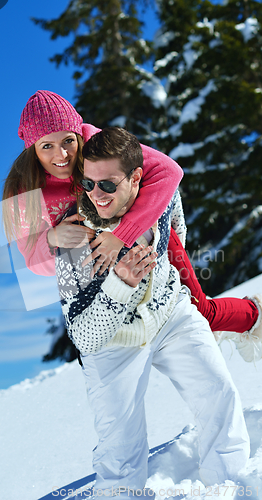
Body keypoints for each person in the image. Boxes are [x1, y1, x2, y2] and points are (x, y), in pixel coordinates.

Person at [55, 127, 250, 493]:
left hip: (169, 314)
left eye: (108, 185)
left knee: (218, 394)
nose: (96, 195)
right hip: (112, 346)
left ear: (136, 179)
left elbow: (175, 219)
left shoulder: (159, 198)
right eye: (88, 184)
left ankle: (231, 486)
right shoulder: (73, 240)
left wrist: (161, 279)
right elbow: (83, 336)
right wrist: (122, 283)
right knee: (121, 455)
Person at [2, 90, 261, 361]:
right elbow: (32, 259)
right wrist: (51, 239)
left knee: (199, 310)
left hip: (151, 235)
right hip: (104, 272)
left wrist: (123, 235)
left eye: (68, 140)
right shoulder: (26, 191)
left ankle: (255, 316)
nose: (63, 154)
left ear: (78, 133)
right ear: (32, 148)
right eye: (47, 146)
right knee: (113, 342)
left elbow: (169, 170)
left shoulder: (96, 145)